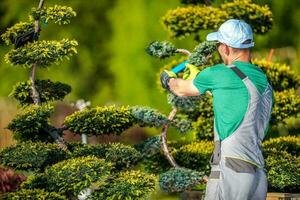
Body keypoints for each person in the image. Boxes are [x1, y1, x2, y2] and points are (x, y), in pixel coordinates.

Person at [160, 19, 274, 200]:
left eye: (219, 44)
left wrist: (167, 79)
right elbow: (234, 100)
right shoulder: (263, 79)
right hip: (257, 175)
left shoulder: (219, 73)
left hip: (231, 171)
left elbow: (180, 89)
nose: (219, 48)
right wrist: (201, 79)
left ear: (226, 48)